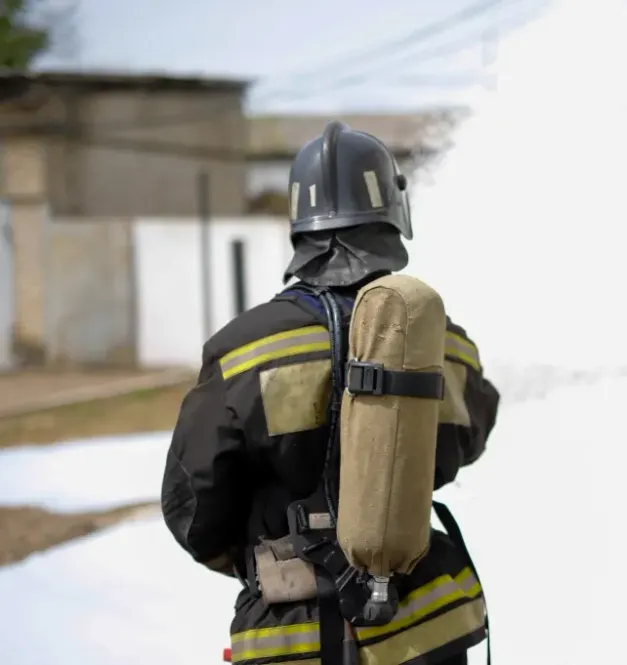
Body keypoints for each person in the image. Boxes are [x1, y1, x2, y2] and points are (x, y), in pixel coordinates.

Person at [161, 121, 501, 665]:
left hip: (295, 636)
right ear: (392, 212)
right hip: (425, 626)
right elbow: (471, 434)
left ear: (301, 225)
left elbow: (191, 502)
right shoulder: (441, 339)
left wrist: (265, 557)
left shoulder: (242, 351)